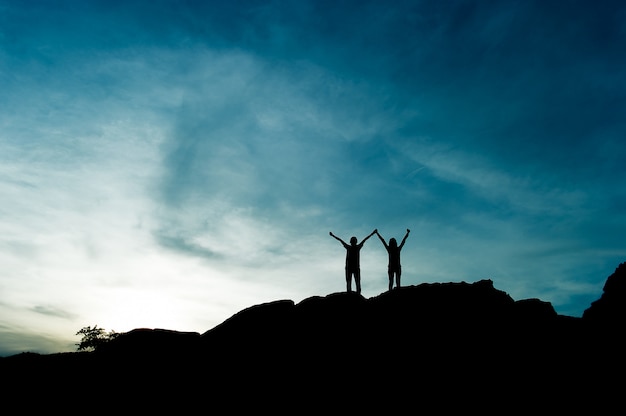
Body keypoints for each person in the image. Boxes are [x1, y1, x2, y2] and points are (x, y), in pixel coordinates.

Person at [329, 229, 377, 294]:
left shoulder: (353, 247)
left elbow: (365, 239)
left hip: (353, 267)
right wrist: (333, 235)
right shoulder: (353, 247)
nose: (353, 242)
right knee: (350, 281)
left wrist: (372, 233)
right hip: (351, 267)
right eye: (353, 241)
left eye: (353, 241)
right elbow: (340, 240)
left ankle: (356, 293)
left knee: (355, 282)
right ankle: (352, 293)